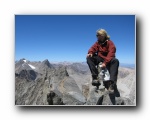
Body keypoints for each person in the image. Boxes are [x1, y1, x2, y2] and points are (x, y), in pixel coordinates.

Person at [86, 29, 120, 97]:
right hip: (100, 58)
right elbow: (92, 48)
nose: (97, 36)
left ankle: (112, 84)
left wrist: (105, 63)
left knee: (115, 61)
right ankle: (95, 77)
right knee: (89, 58)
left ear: (103, 35)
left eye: (99, 35)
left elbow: (111, 53)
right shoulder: (97, 43)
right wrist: (90, 53)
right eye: (97, 35)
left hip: (108, 58)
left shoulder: (110, 43)